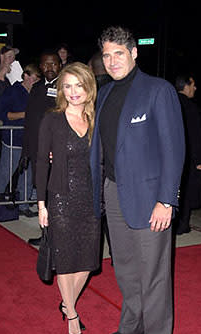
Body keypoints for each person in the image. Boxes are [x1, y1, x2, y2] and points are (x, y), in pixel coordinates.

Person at [90, 26, 185, 334]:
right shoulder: (105, 93)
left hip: (150, 198)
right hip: (114, 192)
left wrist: (166, 200)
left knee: (154, 274)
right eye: (107, 54)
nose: (112, 60)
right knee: (125, 267)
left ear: (134, 53)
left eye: (119, 53)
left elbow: (174, 150)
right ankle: (132, 324)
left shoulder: (158, 91)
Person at [36, 62, 100, 334]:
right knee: (64, 259)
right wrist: (41, 204)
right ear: (61, 90)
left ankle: (66, 303)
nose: (73, 92)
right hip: (60, 198)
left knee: (86, 261)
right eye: (67, 86)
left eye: (79, 85)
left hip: (90, 199)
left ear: (89, 88)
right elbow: (41, 162)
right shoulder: (52, 119)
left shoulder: (96, 119)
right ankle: (72, 313)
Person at [21, 51, 62, 244]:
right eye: (45, 65)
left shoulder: (65, 87)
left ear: (60, 65)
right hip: (38, 153)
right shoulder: (37, 88)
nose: (49, 68)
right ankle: (46, 234)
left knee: (55, 196)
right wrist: (26, 150)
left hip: (56, 154)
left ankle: (56, 236)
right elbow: (30, 120)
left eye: (53, 64)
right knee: (42, 196)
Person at [0, 64, 41, 216]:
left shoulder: (35, 93)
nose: (35, 83)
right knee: (5, 172)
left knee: (27, 174)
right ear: (26, 76)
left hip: (29, 140)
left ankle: (23, 205)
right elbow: (4, 115)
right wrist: (25, 114)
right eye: (33, 79)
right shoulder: (12, 91)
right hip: (13, 139)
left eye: (37, 80)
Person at [88, 51, 113, 265]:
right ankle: (116, 255)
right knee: (111, 213)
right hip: (111, 162)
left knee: (96, 212)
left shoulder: (90, 91)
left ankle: (93, 256)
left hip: (93, 159)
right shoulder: (116, 89)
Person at [175, 74, 201, 234]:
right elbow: (196, 135)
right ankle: (182, 224)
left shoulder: (170, 102)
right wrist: (200, 159)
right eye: (192, 85)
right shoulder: (190, 107)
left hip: (173, 157)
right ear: (185, 86)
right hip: (187, 158)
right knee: (186, 193)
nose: (194, 88)